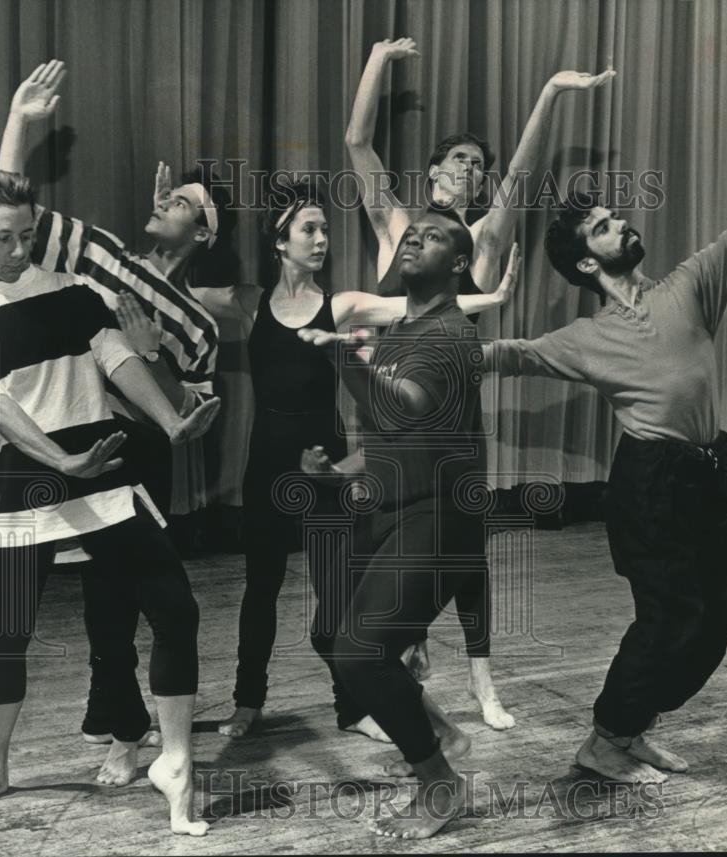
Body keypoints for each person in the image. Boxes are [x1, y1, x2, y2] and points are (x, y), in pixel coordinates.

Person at [482, 53, 727, 783]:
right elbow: (506, 354)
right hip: (650, 486)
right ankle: (604, 738)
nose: (620, 221)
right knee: (667, 620)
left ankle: (631, 727)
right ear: (586, 263)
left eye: (614, 215)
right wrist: (411, 346)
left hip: (708, 472)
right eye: (603, 224)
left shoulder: (690, 286)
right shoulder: (585, 339)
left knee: (712, 625)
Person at [0, 169, 221, 836]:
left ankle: (175, 760)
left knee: (176, 608)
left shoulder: (79, 291)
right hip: (25, 481)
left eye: (28, 235)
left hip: (103, 470)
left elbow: (120, 362)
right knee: (7, 635)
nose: (17, 248)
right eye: (3, 237)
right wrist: (58, 459)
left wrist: (174, 420)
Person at [345, 37, 615, 726]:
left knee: (467, 556)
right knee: (378, 549)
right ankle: (395, 669)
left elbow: (520, 174)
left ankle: (483, 683)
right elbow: (356, 141)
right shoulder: (400, 228)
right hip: (386, 422)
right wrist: (378, 56)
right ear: (435, 170)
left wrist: (551, 93)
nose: (473, 169)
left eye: (478, 165)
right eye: (461, 159)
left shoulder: (484, 244)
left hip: (455, 428)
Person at [198, 180, 516, 739]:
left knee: (338, 590)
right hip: (268, 461)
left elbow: (411, 302)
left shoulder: (339, 304)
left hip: (327, 465)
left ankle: (355, 708)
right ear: (281, 241)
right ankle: (248, 702)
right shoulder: (249, 304)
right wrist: (205, 229)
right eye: (309, 230)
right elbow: (186, 288)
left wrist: (491, 299)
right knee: (261, 586)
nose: (321, 239)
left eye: (325, 229)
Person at [0, 61, 232, 771]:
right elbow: (8, 216)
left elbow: (188, 419)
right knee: (58, 609)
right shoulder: (95, 249)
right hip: (67, 430)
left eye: (185, 201)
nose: (166, 201)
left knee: (119, 596)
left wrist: (152, 354)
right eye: (171, 194)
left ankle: (133, 734)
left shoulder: (197, 324)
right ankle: (120, 722)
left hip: (139, 453)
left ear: (204, 231)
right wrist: (20, 123)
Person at [298, 205, 515, 839]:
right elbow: (393, 436)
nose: (416, 239)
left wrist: (345, 364)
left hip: (440, 517)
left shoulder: (451, 335)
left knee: (361, 654)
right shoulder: (400, 334)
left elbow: (409, 406)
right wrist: (338, 471)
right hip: (391, 508)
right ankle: (437, 727)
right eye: (412, 234)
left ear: (458, 264)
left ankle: (439, 782)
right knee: (333, 636)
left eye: (437, 237)